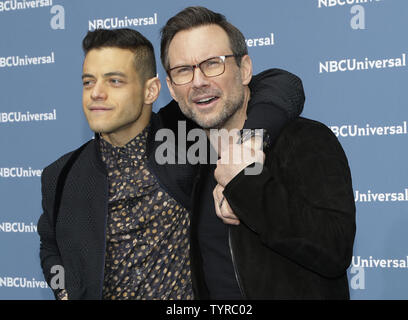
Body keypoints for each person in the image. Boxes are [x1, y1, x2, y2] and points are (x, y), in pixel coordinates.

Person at [37, 28, 304, 299]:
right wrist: (64, 288)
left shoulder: (186, 135)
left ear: (151, 90)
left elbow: (280, 83)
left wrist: (250, 141)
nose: (96, 93)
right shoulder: (60, 174)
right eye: (88, 82)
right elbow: (50, 243)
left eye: (114, 81)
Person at [161, 6, 356, 299]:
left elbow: (334, 249)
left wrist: (244, 181)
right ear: (171, 88)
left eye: (212, 63)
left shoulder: (304, 140)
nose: (199, 81)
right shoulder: (187, 154)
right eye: (183, 71)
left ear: (246, 69)